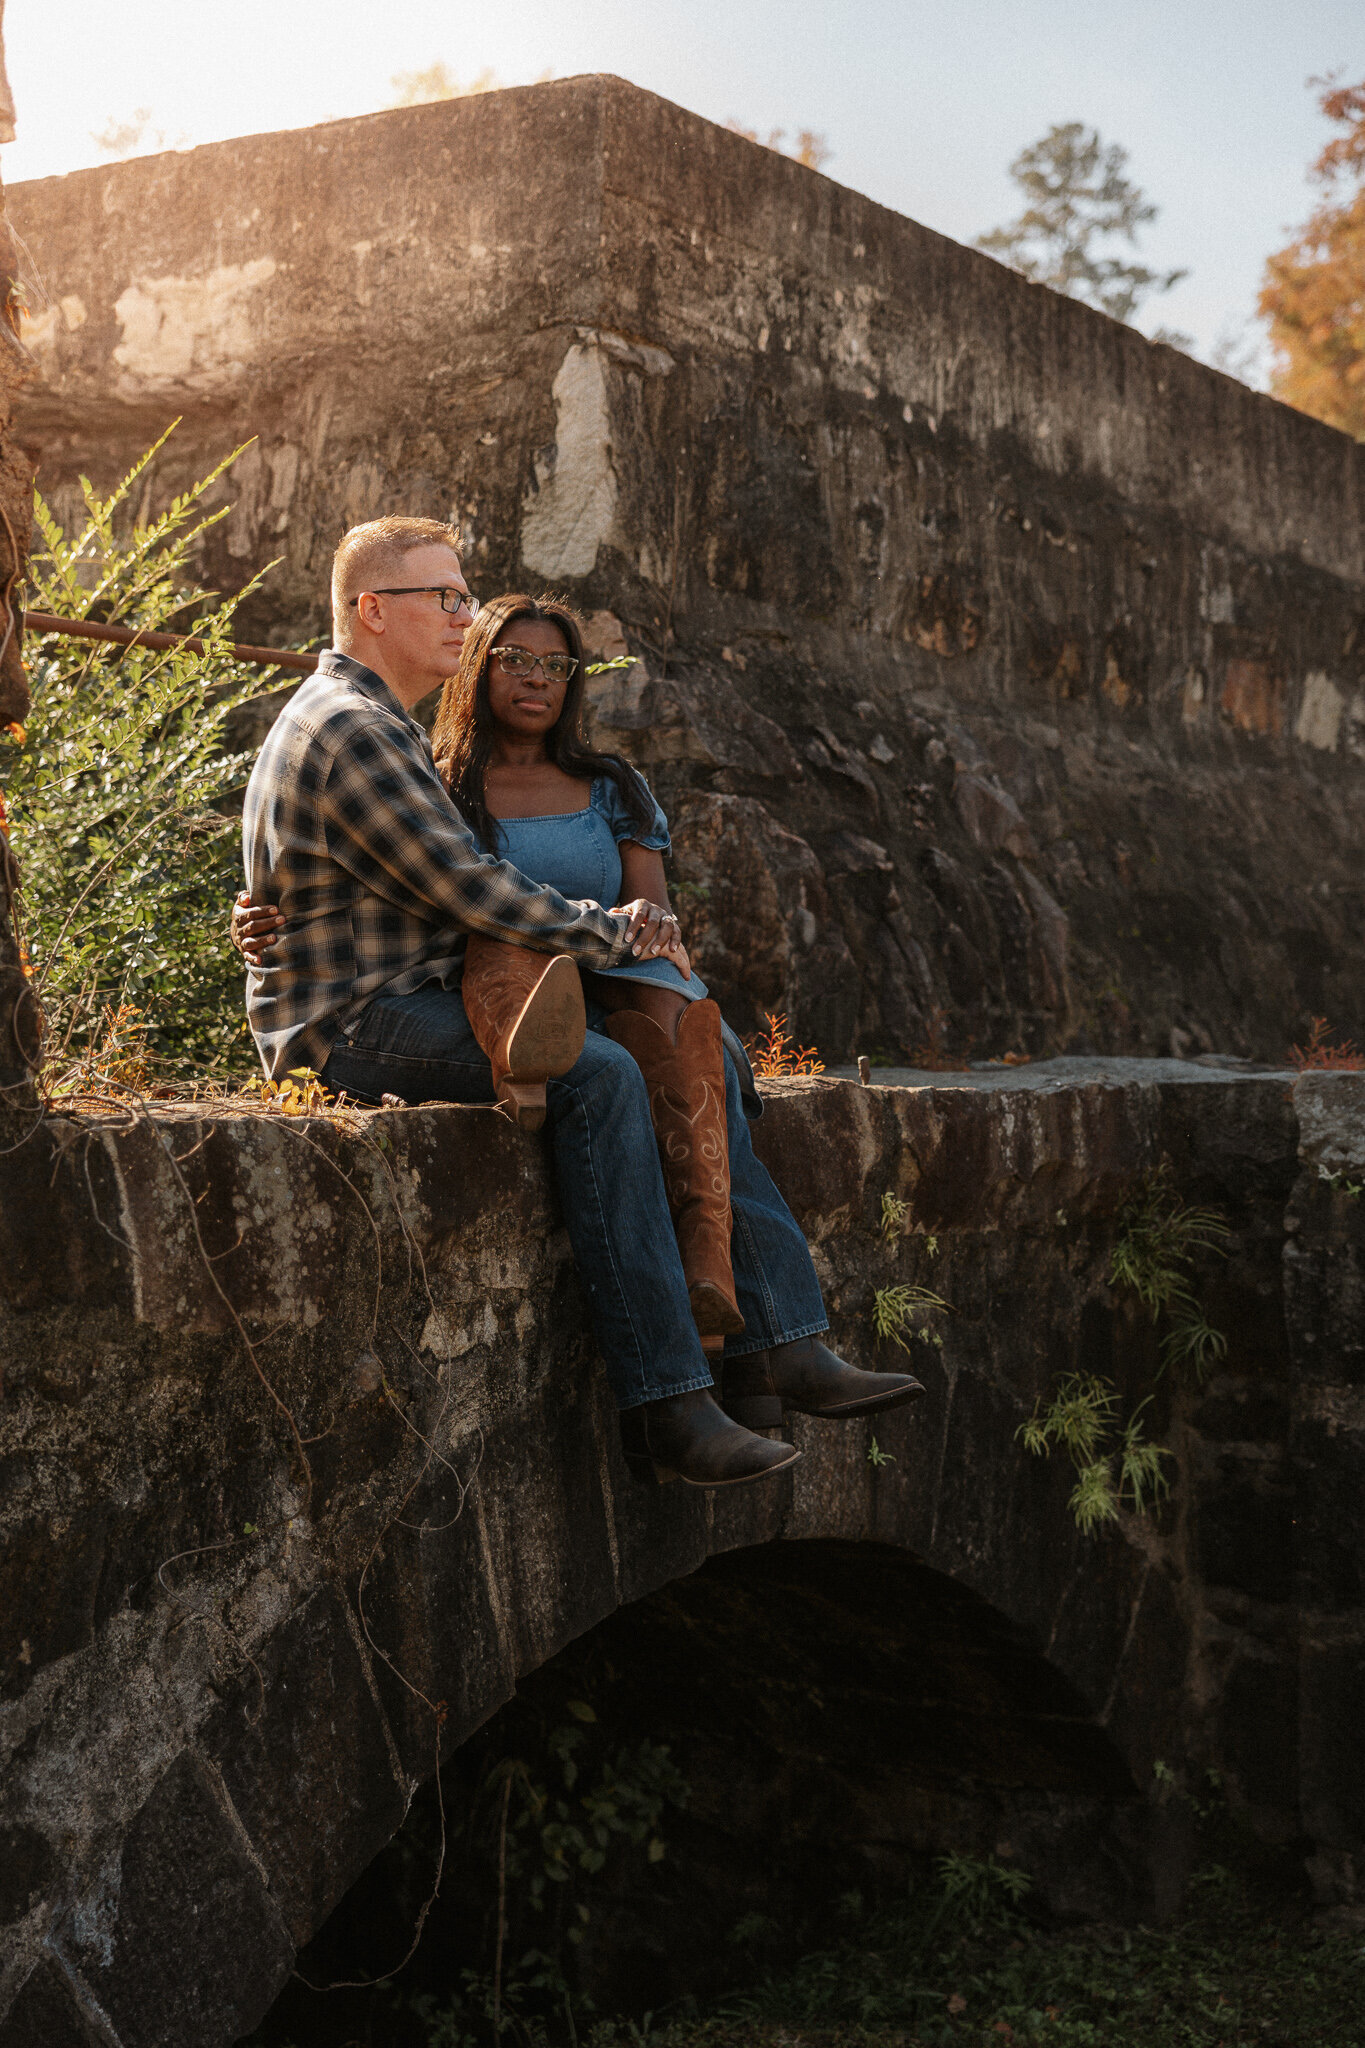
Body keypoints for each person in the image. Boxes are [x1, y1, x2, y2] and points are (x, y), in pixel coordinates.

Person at [238, 515, 923, 1489]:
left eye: (465, 595)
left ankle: (777, 1342)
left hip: (420, 989)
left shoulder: (375, 718)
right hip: (355, 1020)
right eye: (445, 597)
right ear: (372, 609)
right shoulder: (351, 726)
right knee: (597, 1071)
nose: (463, 616)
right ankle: (669, 1401)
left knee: (676, 1038)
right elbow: (468, 884)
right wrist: (619, 931)